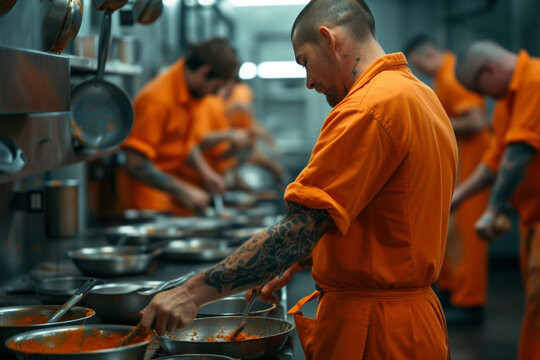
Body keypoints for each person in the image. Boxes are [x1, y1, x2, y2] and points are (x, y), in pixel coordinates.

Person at [139, 1, 457, 358]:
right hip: (413, 322)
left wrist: (190, 293)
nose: (308, 82)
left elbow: (299, 229)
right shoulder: (418, 94)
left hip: (378, 331)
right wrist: (307, 258)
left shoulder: (367, 109)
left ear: (329, 39)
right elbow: (389, 220)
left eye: (305, 61)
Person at [453, 40, 540, 360]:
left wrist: (491, 210)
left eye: (482, 89)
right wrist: (457, 198)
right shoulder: (508, 100)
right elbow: (496, 158)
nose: (487, 97)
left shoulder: (535, 80)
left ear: (489, 70)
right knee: (535, 304)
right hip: (533, 219)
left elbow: (519, 152)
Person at [404, 35, 491, 324]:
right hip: (462, 163)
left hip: (474, 161)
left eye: (420, 65)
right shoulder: (444, 75)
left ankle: (470, 304)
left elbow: (476, 121)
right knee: (454, 233)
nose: (422, 72)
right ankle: (456, 295)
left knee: (467, 235)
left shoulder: (452, 75)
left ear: (427, 55)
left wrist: (433, 122)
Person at [116, 38, 247, 215]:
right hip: (144, 204)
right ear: (203, 72)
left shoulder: (190, 96)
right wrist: (182, 189)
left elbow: (184, 143)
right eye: (216, 87)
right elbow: (134, 162)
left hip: (168, 197)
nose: (216, 94)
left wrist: (206, 173)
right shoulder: (156, 100)